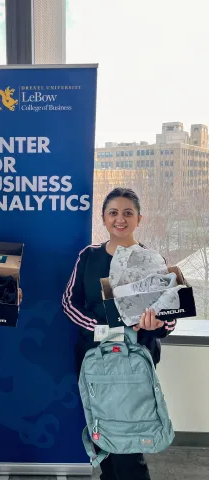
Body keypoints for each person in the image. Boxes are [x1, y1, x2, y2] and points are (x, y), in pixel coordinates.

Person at [62, 187, 176, 480]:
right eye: (113, 212)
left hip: (136, 360)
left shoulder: (152, 260)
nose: (120, 219)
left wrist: (157, 323)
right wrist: (102, 329)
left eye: (128, 213)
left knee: (129, 434)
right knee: (103, 428)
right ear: (103, 218)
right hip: (95, 358)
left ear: (139, 218)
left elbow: (171, 317)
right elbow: (68, 303)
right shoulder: (88, 257)